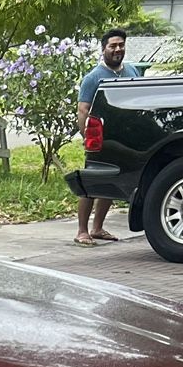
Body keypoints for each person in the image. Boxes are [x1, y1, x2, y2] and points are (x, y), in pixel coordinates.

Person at [75, 30, 142, 246]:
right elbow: (83, 110)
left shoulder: (131, 71)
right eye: (113, 46)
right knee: (92, 184)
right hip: (99, 138)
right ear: (104, 48)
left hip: (123, 139)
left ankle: (98, 228)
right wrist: (87, 137)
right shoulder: (93, 77)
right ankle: (82, 231)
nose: (117, 50)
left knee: (110, 182)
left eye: (121, 45)